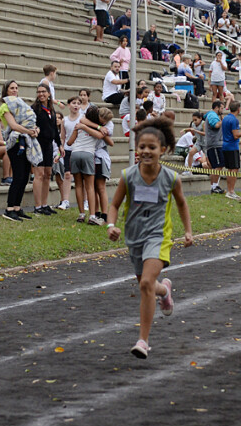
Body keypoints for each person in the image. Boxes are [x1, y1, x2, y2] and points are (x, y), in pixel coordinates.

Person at [106, 117, 193, 360]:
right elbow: (114, 204)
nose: (146, 151)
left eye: (151, 147)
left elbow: (182, 203)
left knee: (145, 283)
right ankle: (164, 291)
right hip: (135, 237)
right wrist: (111, 225)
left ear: (163, 150)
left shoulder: (171, 178)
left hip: (158, 236)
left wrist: (187, 230)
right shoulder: (128, 175)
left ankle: (143, 340)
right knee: (147, 285)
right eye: (142, 146)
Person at [1, 80, 40, 221]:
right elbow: (13, 125)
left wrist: (35, 130)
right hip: (15, 144)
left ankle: (17, 207)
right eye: (12, 88)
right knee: (17, 176)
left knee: (24, 177)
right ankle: (9, 208)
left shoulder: (21, 105)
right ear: (6, 91)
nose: (14, 90)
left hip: (26, 142)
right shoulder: (5, 107)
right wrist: (29, 131)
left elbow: (30, 122)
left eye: (16, 88)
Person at [68, 105, 104, 225]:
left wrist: (78, 129)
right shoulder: (99, 128)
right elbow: (100, 136)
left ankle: (81, 214)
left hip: (75, 153)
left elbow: (69, 142)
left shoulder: (79, 125)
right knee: (90, 187)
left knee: (78, 185)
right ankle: (92, 216)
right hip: (88, 154)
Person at [32, 84, 60, 215]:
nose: (41, 94)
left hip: (49, 145)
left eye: (43, 91)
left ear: (49, 94)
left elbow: (54, 129)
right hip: (38, 145)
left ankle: (44, 203)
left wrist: (59, 145)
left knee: (48, 174)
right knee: (39, 174)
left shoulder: (51, 110)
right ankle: (37, 206)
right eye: (39, 92)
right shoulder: (34, 109)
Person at [220, 101, 241, 201]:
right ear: (238, 109)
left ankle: (230, 190)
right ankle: (231, 191)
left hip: (226, 146)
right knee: (234, 169)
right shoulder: (234, 120)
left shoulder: (226, 118)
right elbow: (236, 135)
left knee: (230, 170)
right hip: (232, 147)